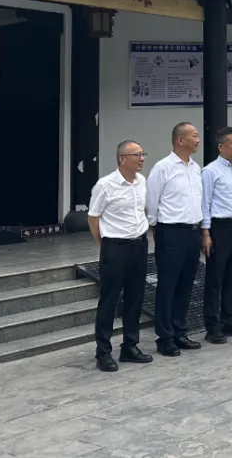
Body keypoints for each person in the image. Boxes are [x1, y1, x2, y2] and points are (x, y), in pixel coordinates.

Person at [87, 140, 153, 372]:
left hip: (139, 245)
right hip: (115, 247)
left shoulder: (142, 181)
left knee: (135, 297)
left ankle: (130, 346)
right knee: (110, 299)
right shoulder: (105, 185)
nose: (142, 159)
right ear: (123, 159)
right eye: (137, 155)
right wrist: (104, 244)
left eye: (143, 154)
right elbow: (93, 218)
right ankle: (103, 352)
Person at [146, 122, 204, 357]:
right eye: (194, 136)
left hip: (193, 231)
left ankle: (180, 331)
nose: (198, 140)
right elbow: (152, 201)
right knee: (168, 285)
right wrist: (155, 227)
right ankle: (165, 337)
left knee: (186, 284)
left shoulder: (196, 168)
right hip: (170, 232)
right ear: (180, 140)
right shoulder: (163, 168)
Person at [201, 126, 232, 344]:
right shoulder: (210, 171)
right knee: (215, 278)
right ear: (221, 146)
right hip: (220, 227)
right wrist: (206, 233)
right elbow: (205, 203)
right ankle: (212, 326)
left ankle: (229, 320)